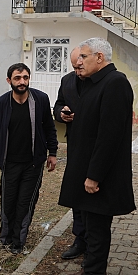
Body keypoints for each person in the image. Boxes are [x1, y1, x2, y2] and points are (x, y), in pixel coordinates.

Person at [58, 38, 135, 275]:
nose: (78, 63)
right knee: (90, 230)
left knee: (98, 233)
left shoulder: (115, 83)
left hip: (100, 179)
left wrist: (94, 175)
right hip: (86, 171)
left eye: (83, 57)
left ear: (99, 57)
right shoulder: (93, 83)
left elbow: (109, 136)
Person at [0, 63, 58, 255]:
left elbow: (49, 127)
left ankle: (18, 242)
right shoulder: (2, 103)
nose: (22, 81)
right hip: (9, 163)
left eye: (25, 77)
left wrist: (53, 153)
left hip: (33, 164)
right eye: (17, 78)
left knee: (25, 203)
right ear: (9, 81)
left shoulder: (40, 100)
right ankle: (5, 239)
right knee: (8, 202)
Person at [53, 46, 86, 260]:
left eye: (80, 66)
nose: (77, 70)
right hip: (74, 145)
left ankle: (94, 240)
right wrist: (61, 114)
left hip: (94, 144)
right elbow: (58, 105)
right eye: (74, 66)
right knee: (76, 193)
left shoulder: (101, 81)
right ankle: (80, 238)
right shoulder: (67, 81)